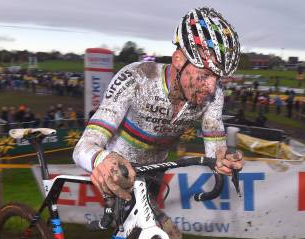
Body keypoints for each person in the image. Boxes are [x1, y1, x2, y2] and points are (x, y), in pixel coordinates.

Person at [73, 6, 243, 211]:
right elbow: (83, 147)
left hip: (156, 170)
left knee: (163, 237)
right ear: (178, 60)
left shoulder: (214, 95)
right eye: (206, 74)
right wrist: (101, 159)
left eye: (218, 78)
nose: (212, 87)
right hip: (119, 170)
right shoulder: (136, 78)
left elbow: (215, 151)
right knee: (142, 235)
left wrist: (223, 160)